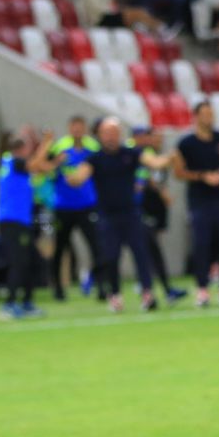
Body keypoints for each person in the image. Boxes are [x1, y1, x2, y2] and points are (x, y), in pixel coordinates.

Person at [64, 118, 167, 312]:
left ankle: (147, 293)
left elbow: (154, 162)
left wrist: (169, 158)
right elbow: (80, 176)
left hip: (131, 213)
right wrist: (72, 178)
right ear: (100, 135)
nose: (111, 137)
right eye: (107, 133)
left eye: (114, 133)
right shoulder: (95, 158)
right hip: (107, 216)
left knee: (141, 254)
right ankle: (115, 295)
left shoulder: (130, 154)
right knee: (111, 257)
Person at [172, 101, 219, 307]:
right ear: (196, 116)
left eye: (211, 114)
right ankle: (202, 289)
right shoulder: (186, 143)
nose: (209, 118)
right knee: (202, 243)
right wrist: (202, 176)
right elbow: (179, 172)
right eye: (205, 114)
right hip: (200, 200)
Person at [0, 129, 56, 320]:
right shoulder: (14, 161)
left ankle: (26, 302)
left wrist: (55, 163)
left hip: (19, 220)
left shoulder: (11, 163)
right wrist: (46, 143)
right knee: (19, 262)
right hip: (14, 220)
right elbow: (36, 165)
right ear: (22, 149)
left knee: (31, 260)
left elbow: (40, 167)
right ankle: (11, 304)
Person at [49, 116, 102, 302]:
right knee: (61, 247)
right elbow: (46, 168)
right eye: (74, 127)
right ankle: (58, 288)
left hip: (87, 205)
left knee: (97, 246)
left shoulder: (93, 147)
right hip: (63, 206)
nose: (77, 130)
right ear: (70, 128)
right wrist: (57, 162)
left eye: (81, 127)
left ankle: (101, 285)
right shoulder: (59, 147)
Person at [132, 127, 187, 304]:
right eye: (150, 136)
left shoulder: (150, 152)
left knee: (151, 247)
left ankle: (158, 288)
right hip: (138, 208)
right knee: (147, 249)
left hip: (152, 208)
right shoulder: (134, 153)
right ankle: (154, 288)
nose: (155, 139)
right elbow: (150, 173)